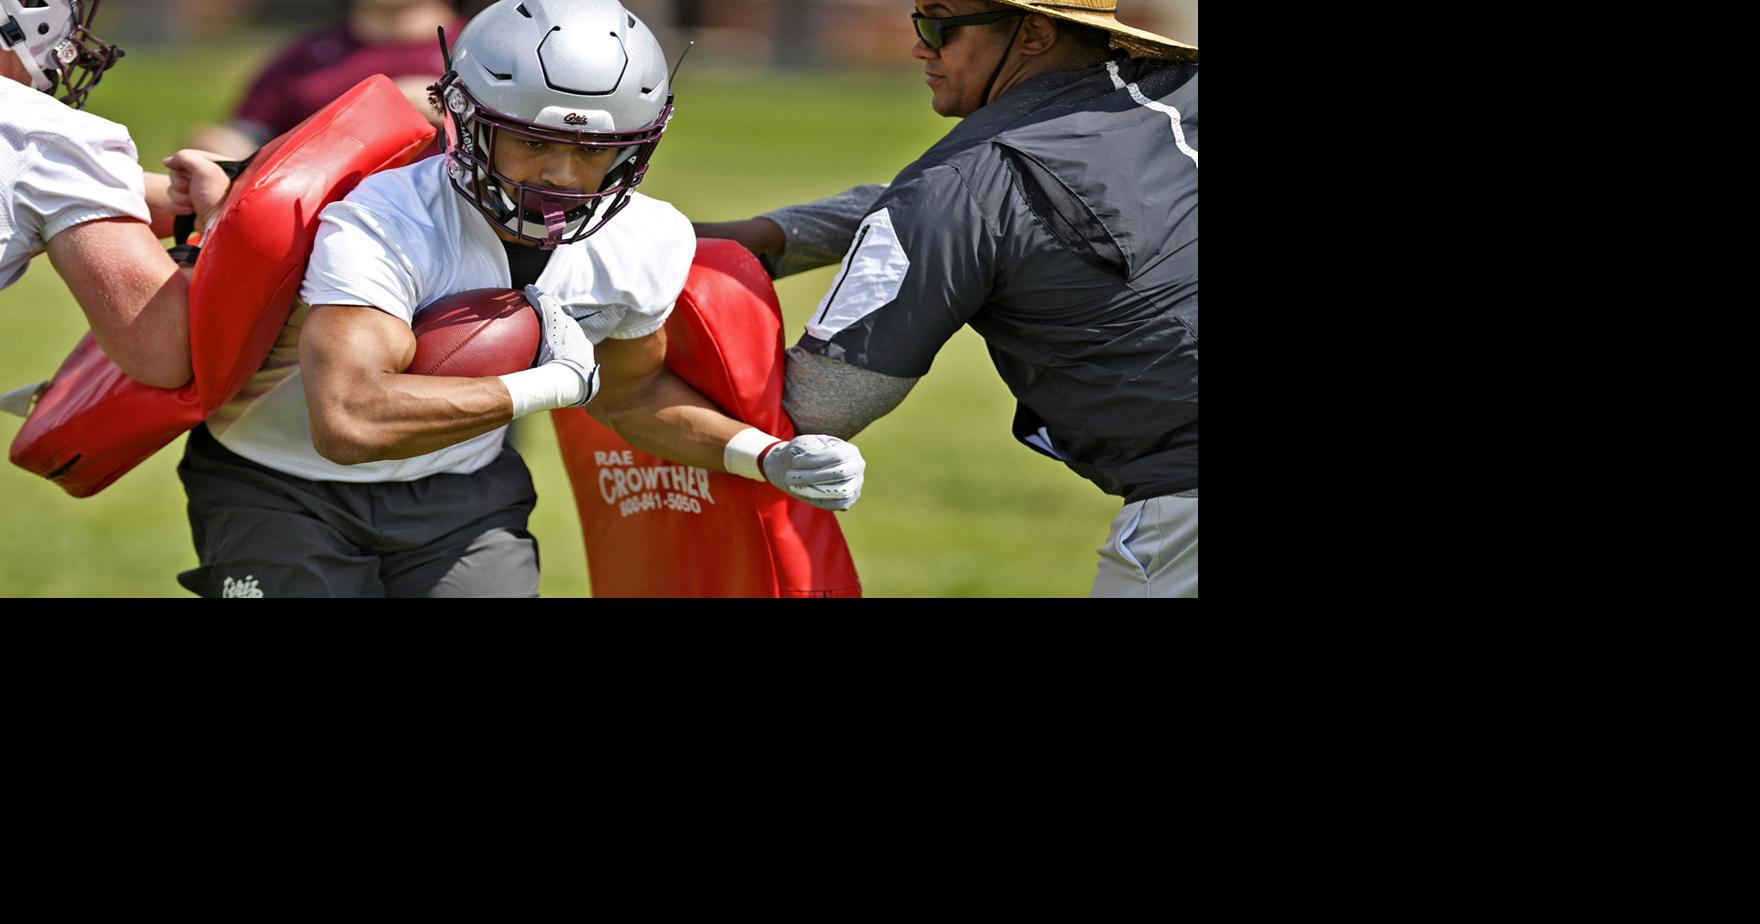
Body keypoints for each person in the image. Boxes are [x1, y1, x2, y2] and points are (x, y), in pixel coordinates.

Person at [174, 0, 867, 598]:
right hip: (280, 481)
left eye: (596, 150)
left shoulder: (644, 239)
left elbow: (629, 394)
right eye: (534, 140)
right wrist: (546, 385)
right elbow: (349, 419)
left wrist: (763, 454)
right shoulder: (384, 219)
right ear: (468, 120)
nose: (561, 175)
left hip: (460, 488)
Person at [693, 0, 1198, 597]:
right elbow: (1005, 207)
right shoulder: (1176, 95)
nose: (918, 49)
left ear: (1033, 32)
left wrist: (639, 379)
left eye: (938, 27)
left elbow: (819, 409)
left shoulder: (956, 188)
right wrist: (771, 235)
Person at [1, 0, 230, 390]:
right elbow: (162, 354)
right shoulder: (44, 132)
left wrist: (231, 189)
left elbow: (56, 187)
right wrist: (218, 226)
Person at [184, 0, 465, 160]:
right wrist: (218, 150)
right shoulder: (305, 56)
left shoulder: (480, 49)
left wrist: (450, 108)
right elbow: (250, 132)